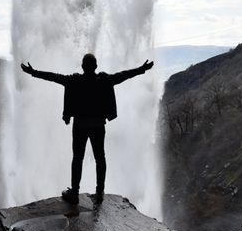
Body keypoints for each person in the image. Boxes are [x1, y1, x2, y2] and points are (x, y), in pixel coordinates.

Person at [20, 53, 154, 204]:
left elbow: (53, 77)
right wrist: (142, 69)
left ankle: (75, 192)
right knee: (100, 158)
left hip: (80, 125)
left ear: (83, 66)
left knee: (78, 158)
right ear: (96, 66)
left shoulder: (74, 81)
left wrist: (33, 72)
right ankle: (100, 192)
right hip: (98, 125)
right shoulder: (104, 80)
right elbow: (123, 76)